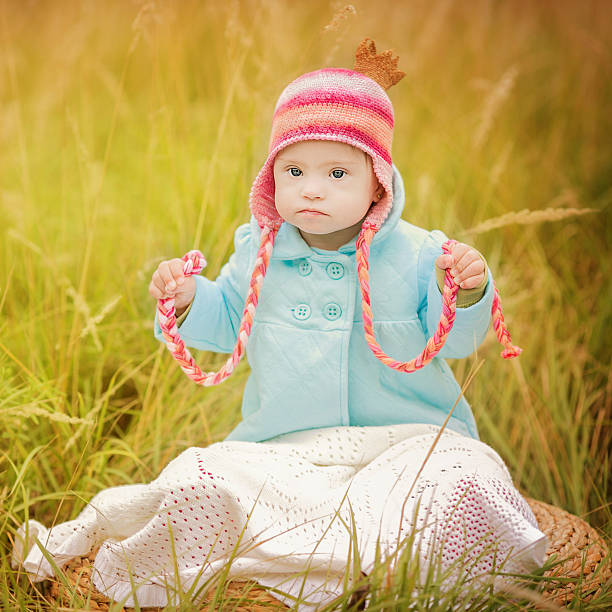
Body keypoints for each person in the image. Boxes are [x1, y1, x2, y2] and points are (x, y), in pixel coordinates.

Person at [13, 40, 547, 610]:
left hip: (411, 442)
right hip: (283, 450)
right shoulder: (260, 251)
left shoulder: (421, 256)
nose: (311, 188)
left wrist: (466, 290)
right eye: (294, 170)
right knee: (197, 476)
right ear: (272, 177)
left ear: (379, 182)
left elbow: (459, 343)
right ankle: (296, 555)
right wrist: (190, 298)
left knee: (462, 482)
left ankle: (405, 571)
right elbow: (225, 327)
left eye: (337, 171)